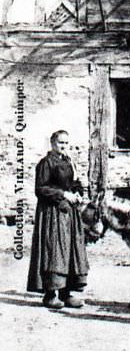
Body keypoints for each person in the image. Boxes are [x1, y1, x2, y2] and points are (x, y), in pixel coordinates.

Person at [26, 129, 89, 309]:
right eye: (61, 143)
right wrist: (63, 194)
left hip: (69, 214)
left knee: (70, 251)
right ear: (53, 144)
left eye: (66, 143)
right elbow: (40, 189)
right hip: (52, 214)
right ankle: (50, 294)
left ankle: (66, 293)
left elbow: (74, 183)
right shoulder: (46, 163)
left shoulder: (68, 162)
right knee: (54, 251)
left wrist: (78, 192)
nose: (64, 146)